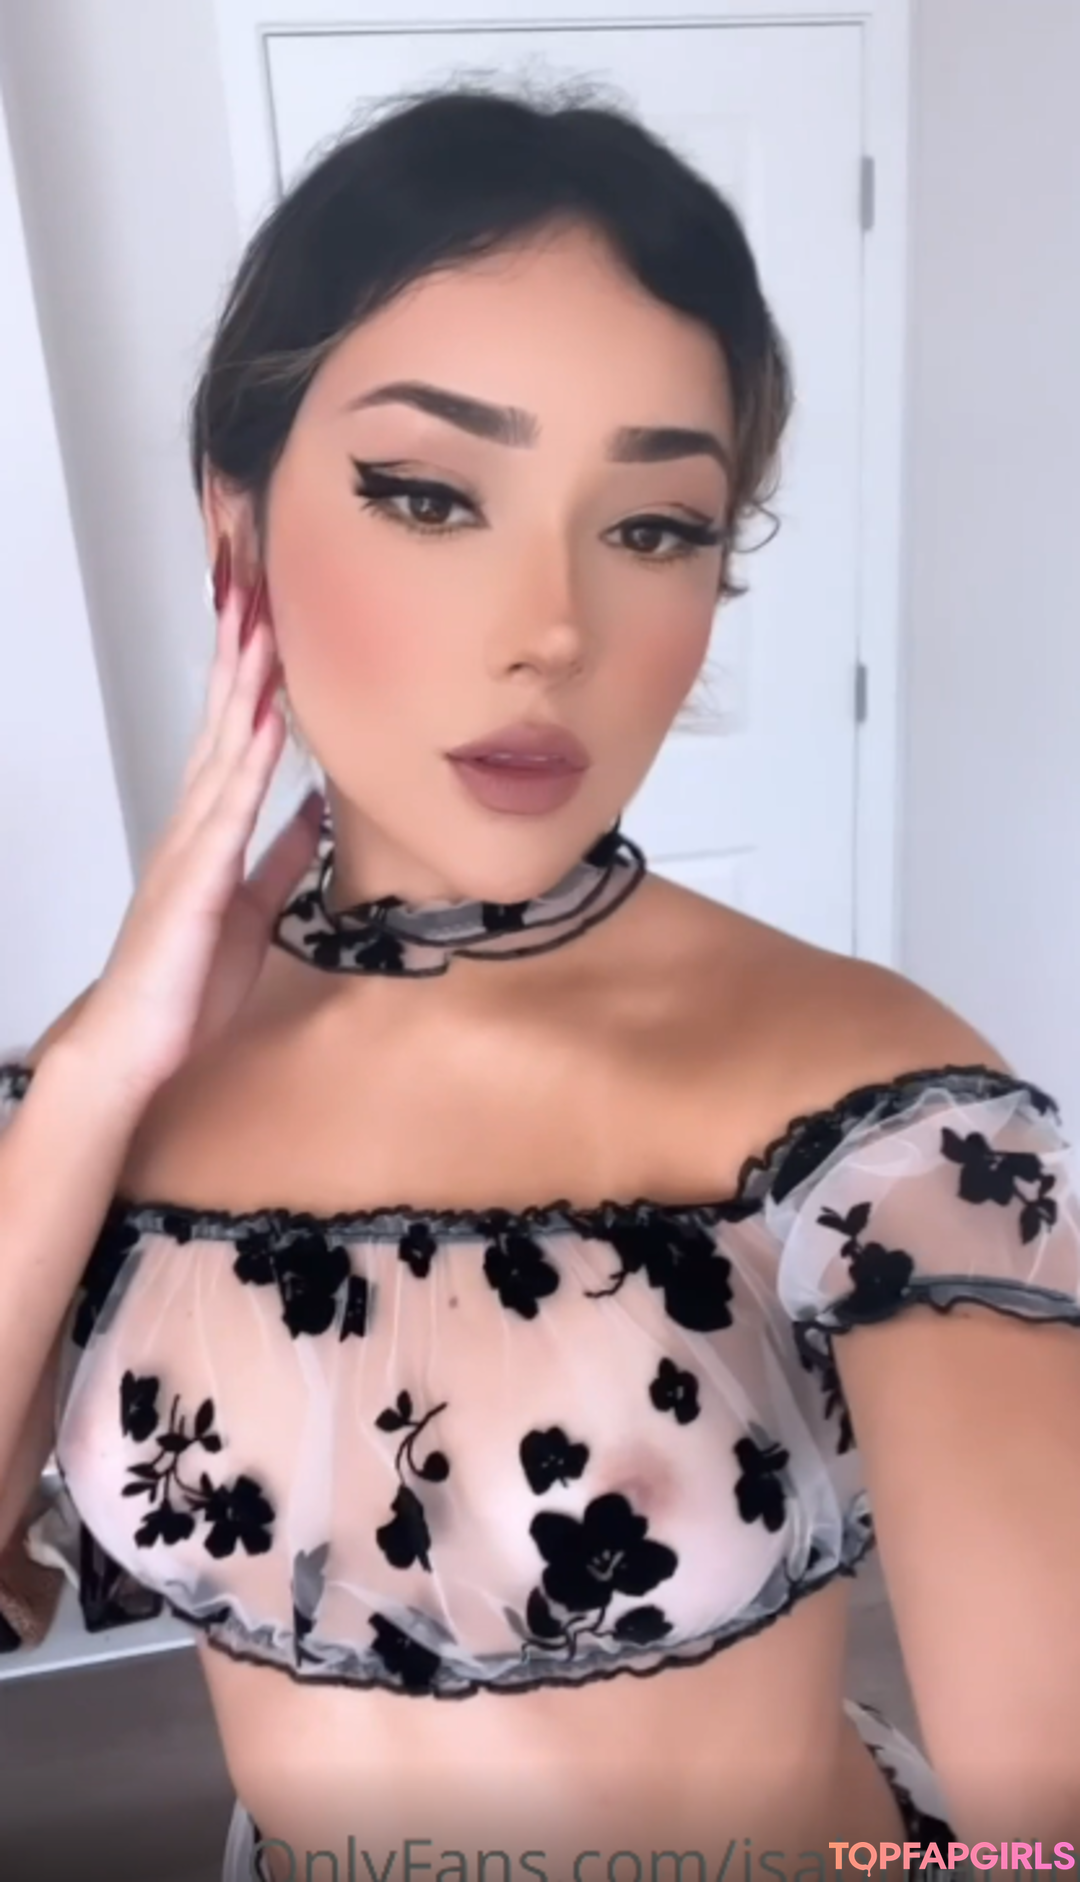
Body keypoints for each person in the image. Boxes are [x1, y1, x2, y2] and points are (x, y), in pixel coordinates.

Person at [1, 81, 1078, 1882]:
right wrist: (102, 1072)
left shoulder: (871, 1101)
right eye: (431, 495)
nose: (556, 628)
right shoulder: (109, 1087)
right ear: (234, 524)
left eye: (653, 526)